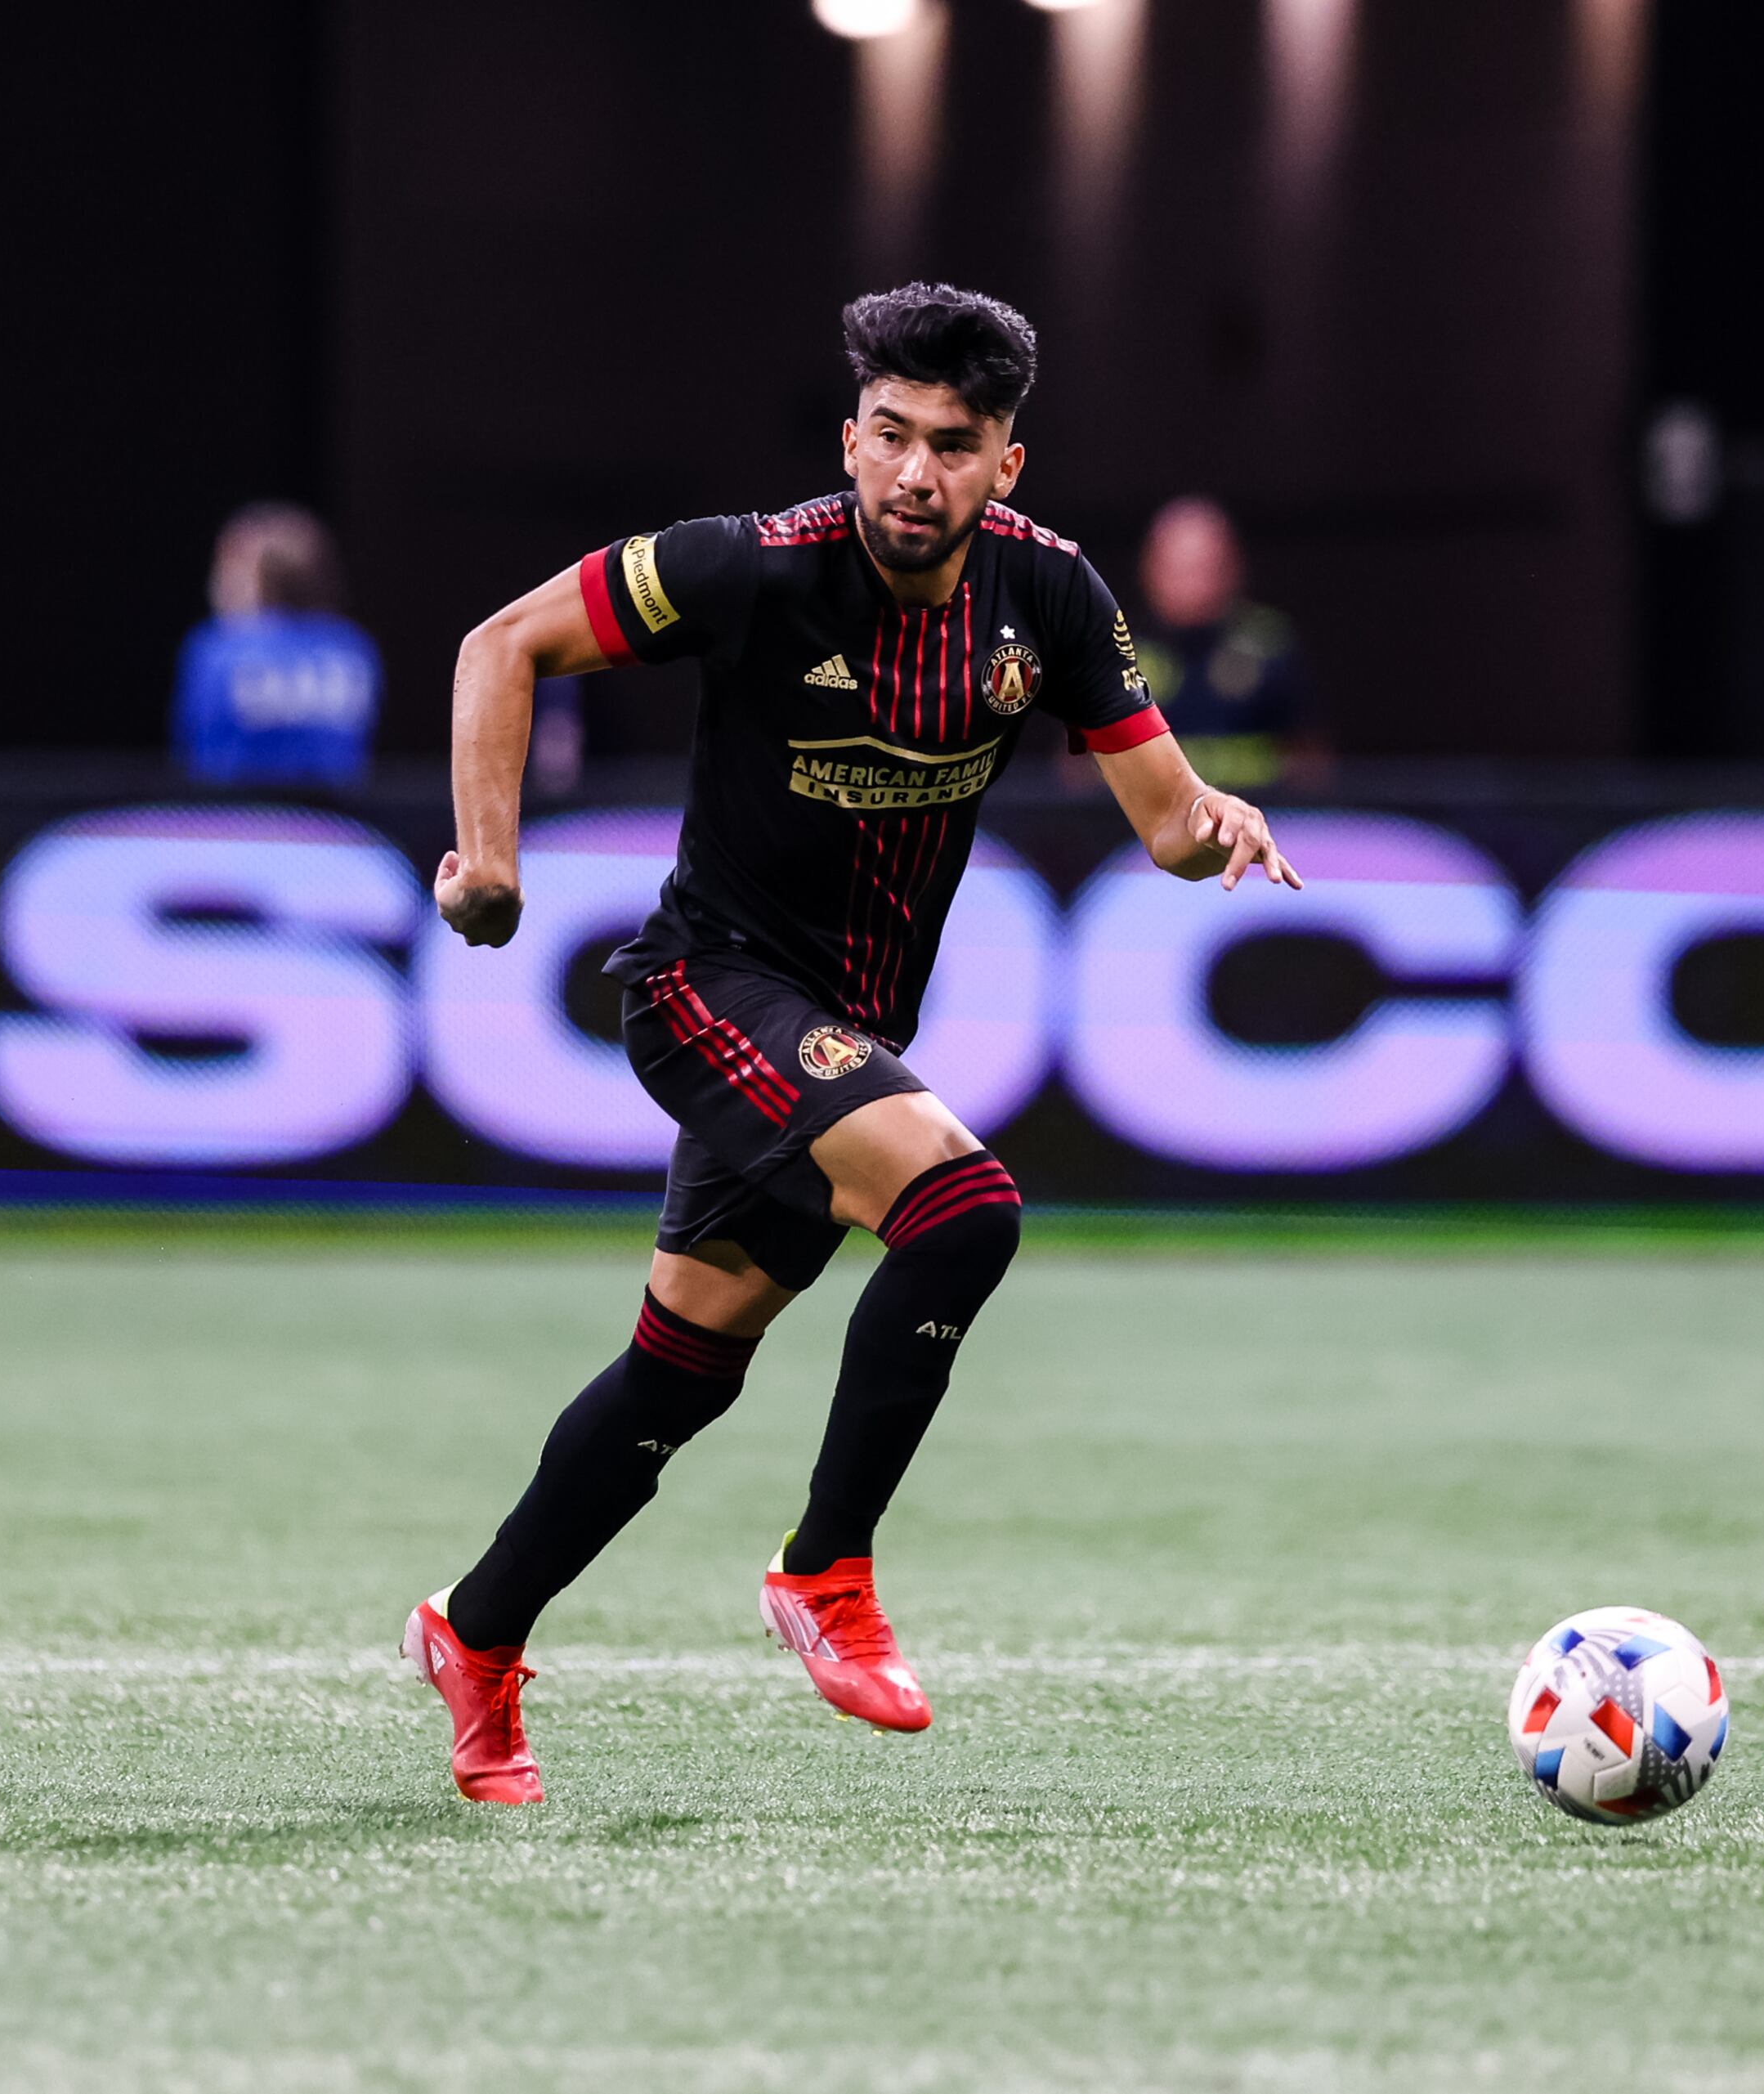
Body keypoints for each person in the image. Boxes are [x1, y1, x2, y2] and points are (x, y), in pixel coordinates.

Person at [405, 285, 1300, 1804]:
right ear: (850, 436)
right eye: (889, 435)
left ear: (1005, 464)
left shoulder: (1056, 598)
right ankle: (826, 1574)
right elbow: (501, 646)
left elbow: (1161, 823)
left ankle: (473, 1635)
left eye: (952, 445)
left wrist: (1218, 826)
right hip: (706, 986)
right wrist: (487, 861)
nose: (913, 474)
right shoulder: (749, 567)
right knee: (966, 1209)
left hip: (840, 1034)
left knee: (679, 1377)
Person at [171, 503, 383, 786]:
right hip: (337, 825)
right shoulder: (355, 649)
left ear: (256, 578)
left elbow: (192, 752)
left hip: (232, 821)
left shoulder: (217, 649)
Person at [1132, 496, 1323, 790]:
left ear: (1233, 568)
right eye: (1180, 569)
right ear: (1149, 571)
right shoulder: (1116, 650)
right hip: (1149, 830)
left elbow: (1309, 759)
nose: (1194, 584)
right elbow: (1079, 769)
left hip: (1263, 821)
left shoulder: (1269, 643)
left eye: (1204, 567)